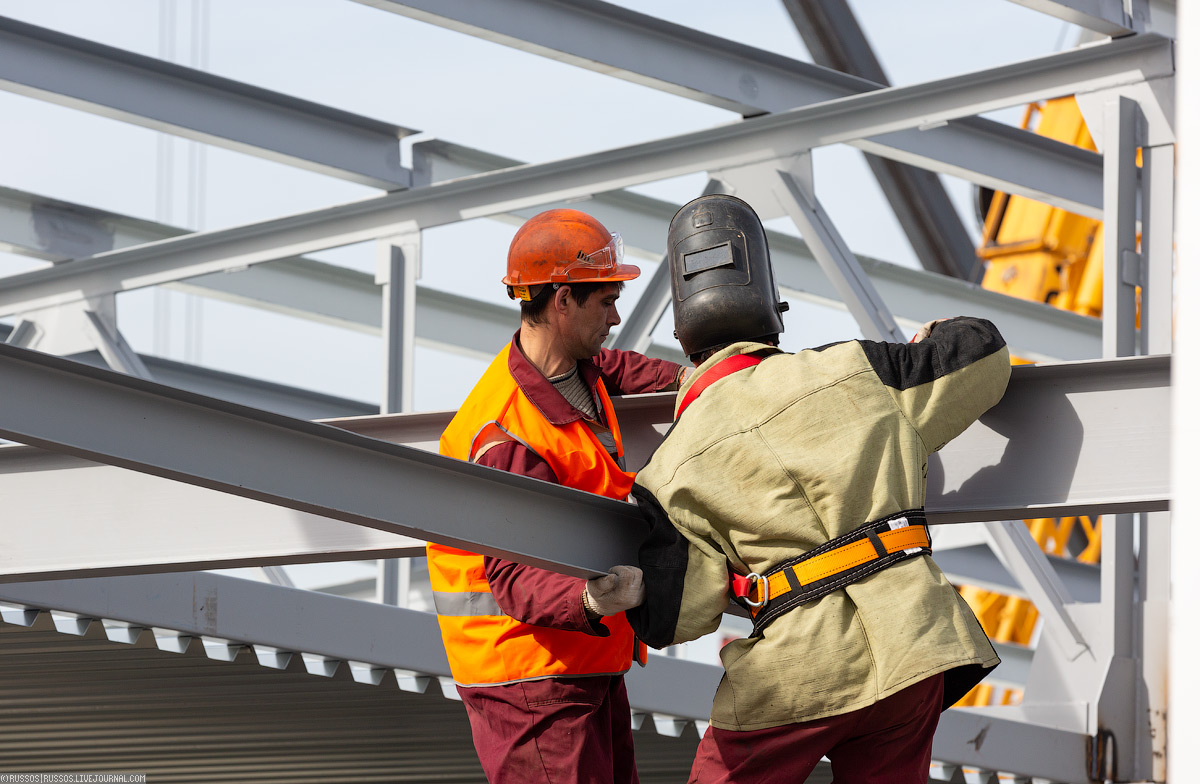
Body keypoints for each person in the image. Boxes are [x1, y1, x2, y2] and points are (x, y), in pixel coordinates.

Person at [626, 194, 1011, 784]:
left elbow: (677, 616)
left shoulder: (668, 470)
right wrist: (940, 332)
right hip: (913, 641)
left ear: (682, 341)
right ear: (771, 309)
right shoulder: (857, 371)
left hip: (797, 676)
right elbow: (982, 354)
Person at [427, 208, 687, 784]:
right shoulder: (503, 434)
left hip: (583, 665)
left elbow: (619, 369)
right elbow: (514, 577)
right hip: (530, 685)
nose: (618, 316)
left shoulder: (576, 368)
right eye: (606, 301)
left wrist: (703, 378)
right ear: (562, 299)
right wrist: (595, 599)